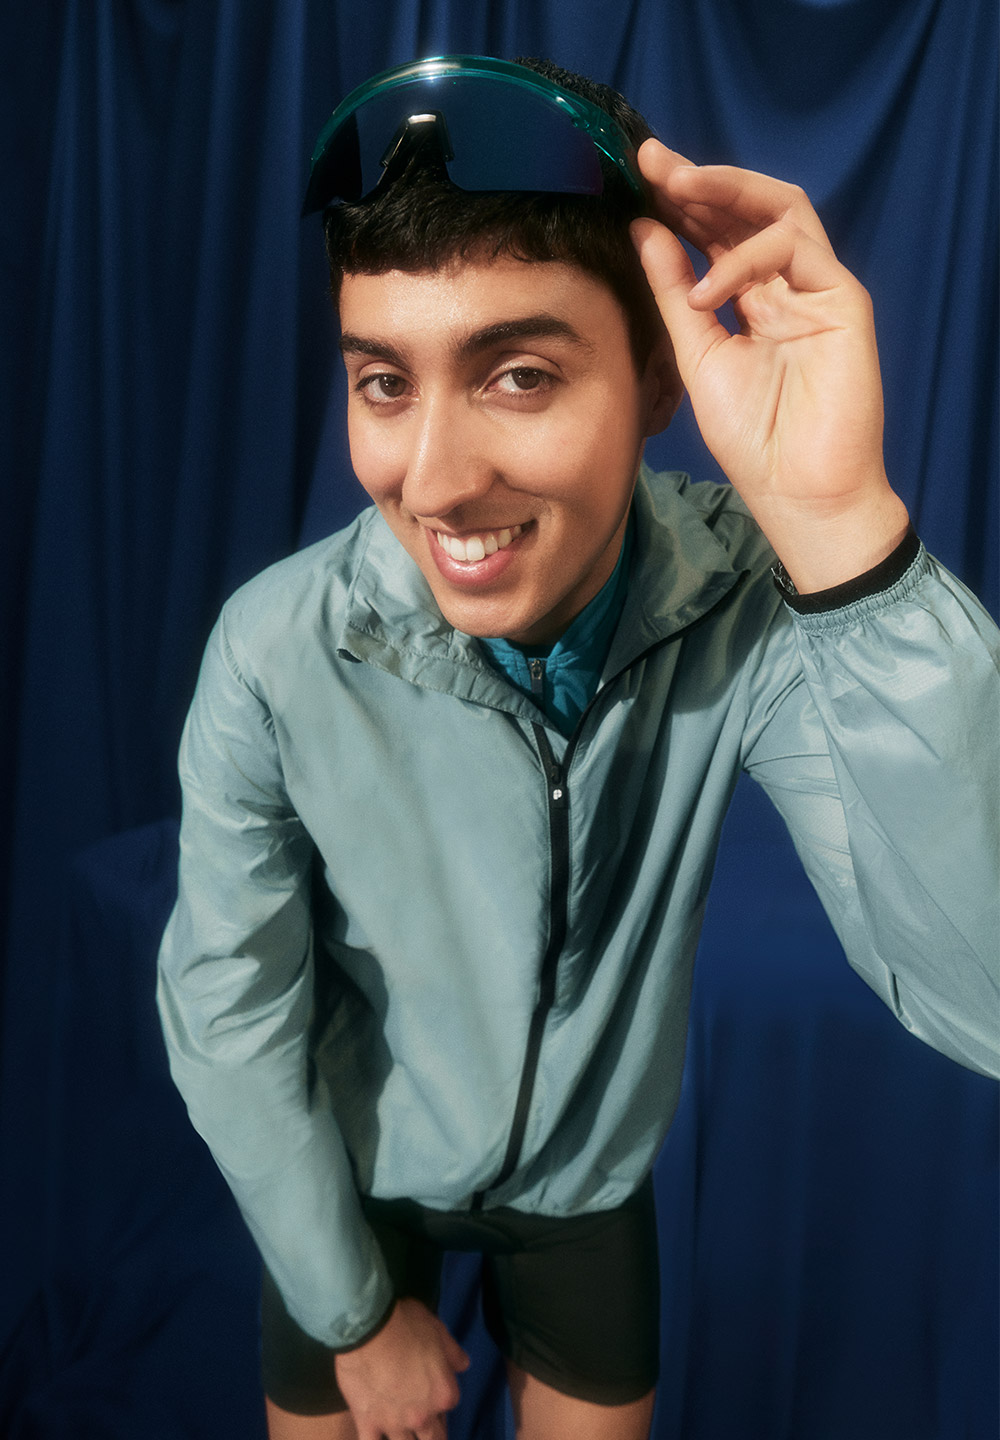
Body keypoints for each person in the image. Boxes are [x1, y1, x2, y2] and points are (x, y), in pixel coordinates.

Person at [156, 55, 999, 1440]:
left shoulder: (749, 601)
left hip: (585, 1186)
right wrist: (351, 1311)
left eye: (521, 375)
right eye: (384, 381)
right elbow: (229, 1010)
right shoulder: (273, 647)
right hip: (350, 1177)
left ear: (661, 374)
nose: (434, 482)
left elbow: (988, 989)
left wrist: (844, 528)